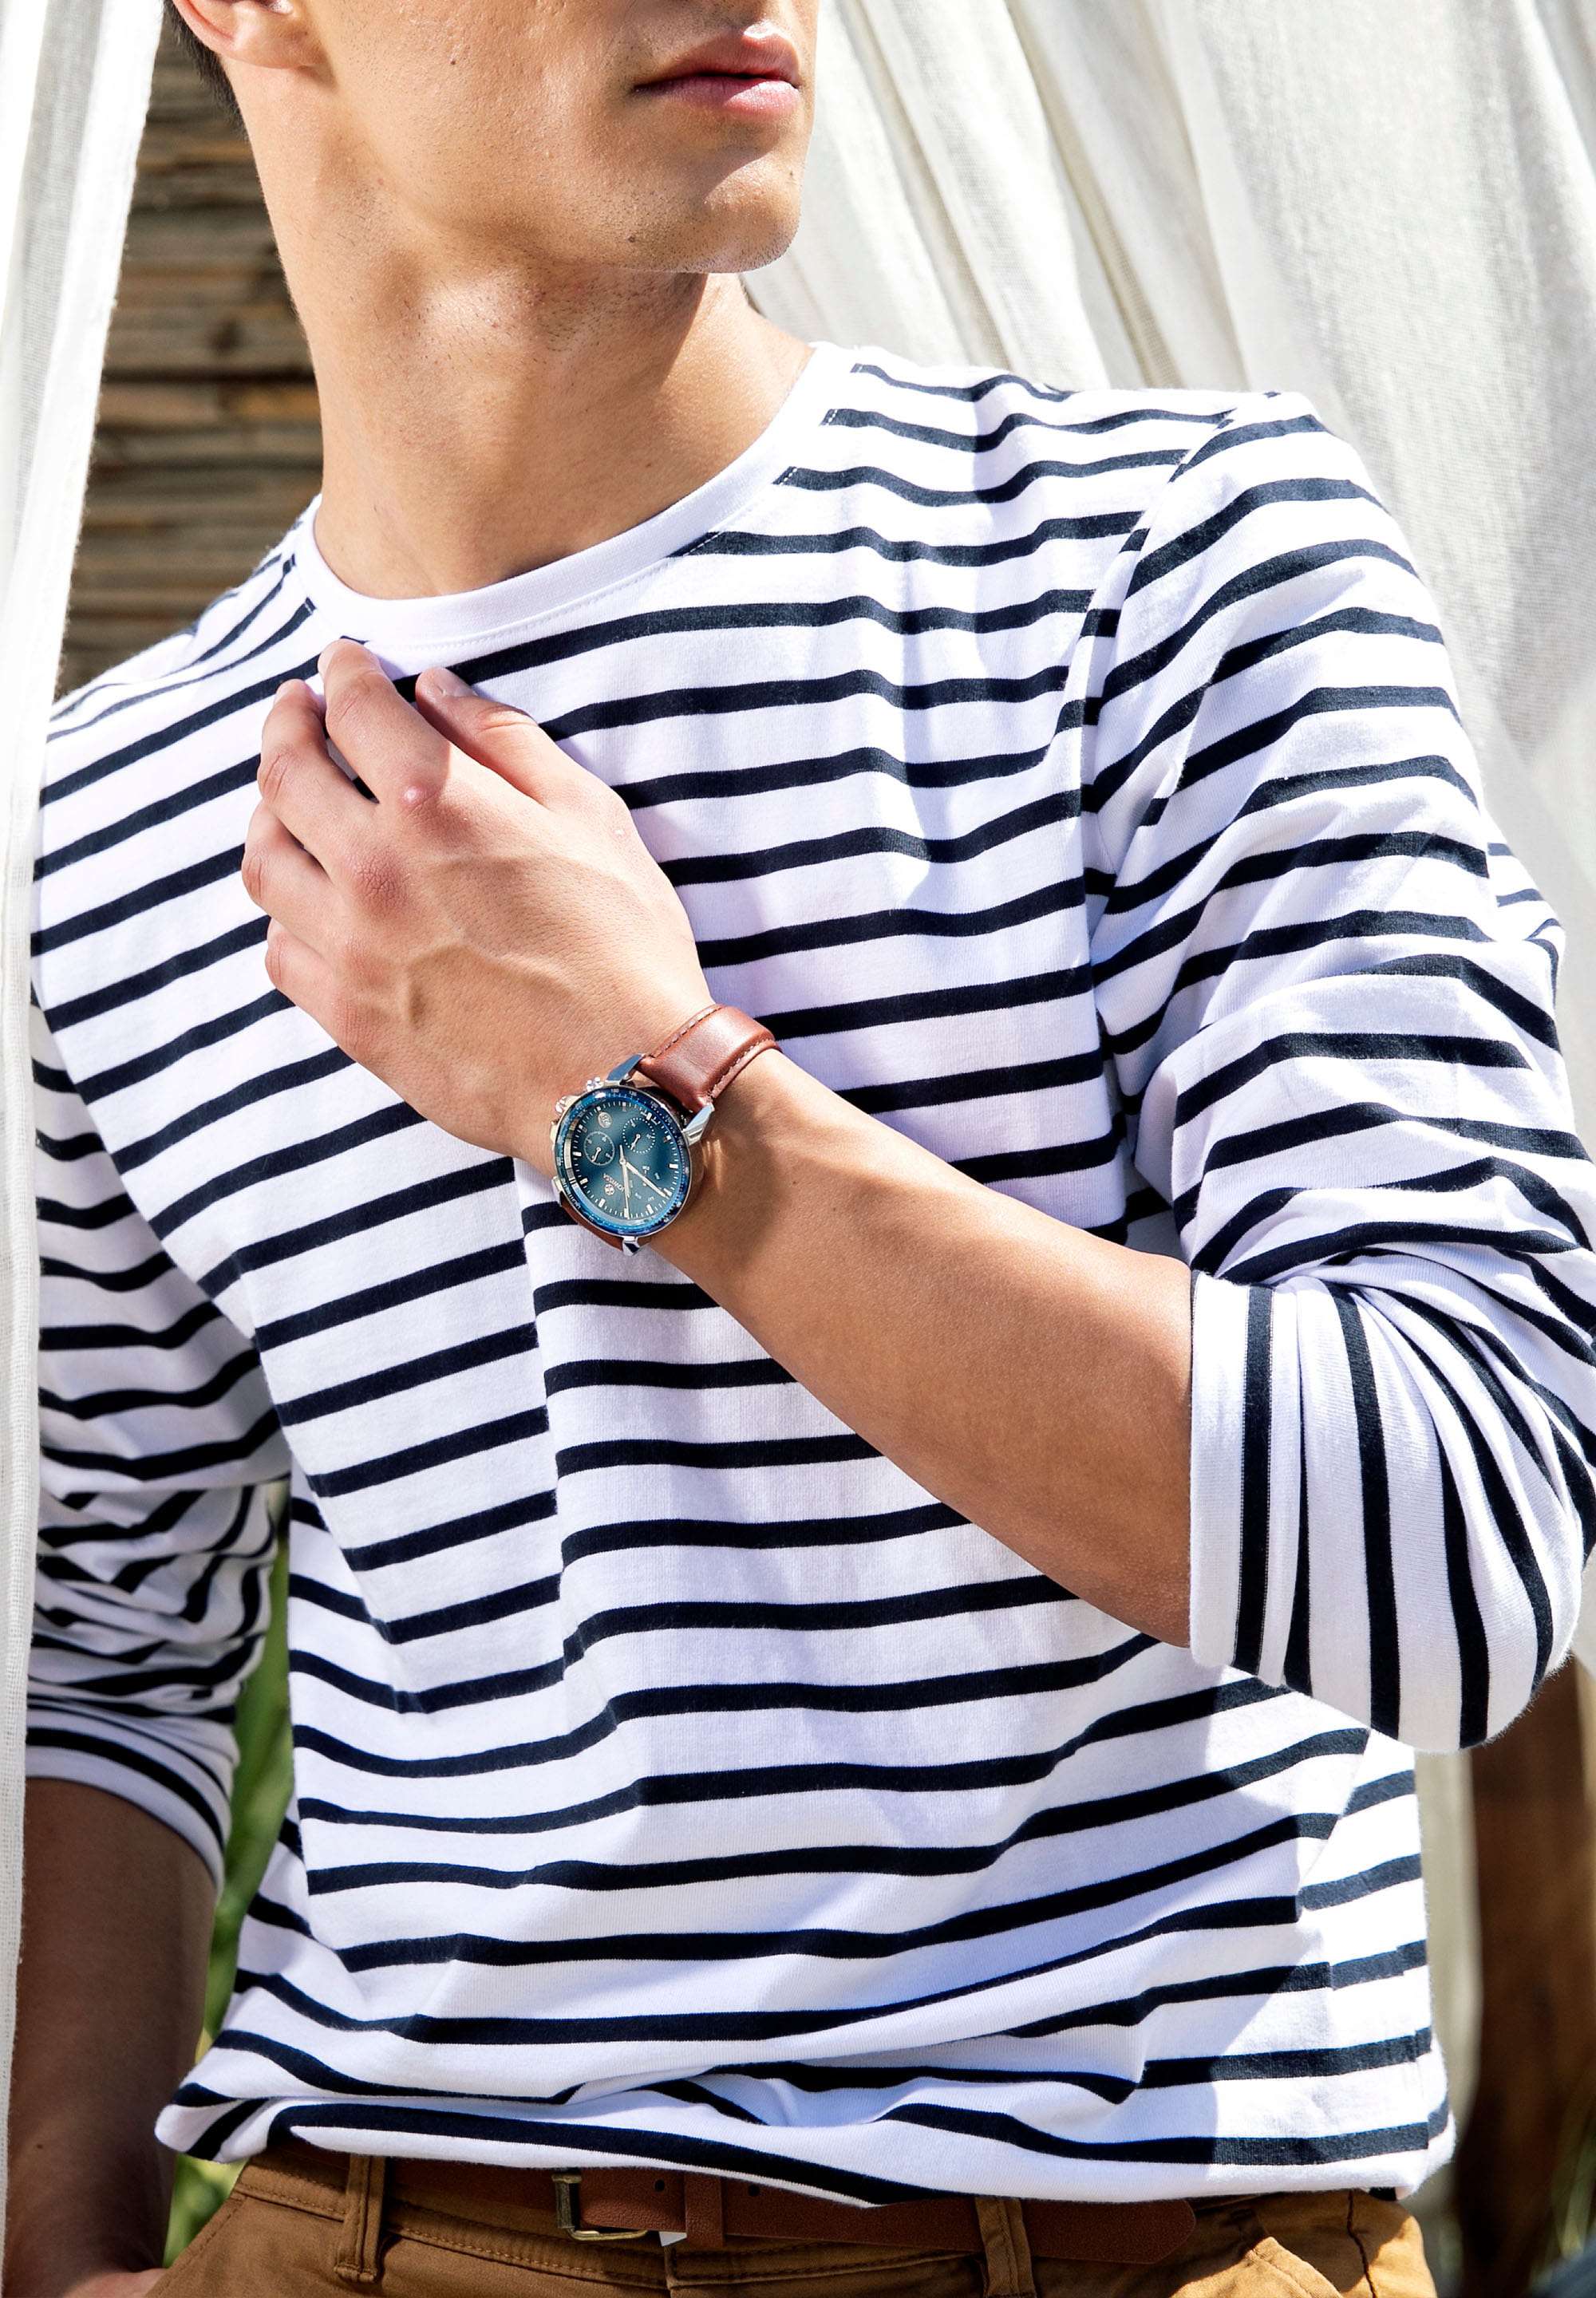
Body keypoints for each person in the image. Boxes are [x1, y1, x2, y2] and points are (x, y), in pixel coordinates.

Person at [10, 2, 1594, 2294]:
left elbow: (1467, 1548)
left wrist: (655, 1097)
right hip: (354, 2235)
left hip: (1118, 2248)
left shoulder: (1179, 568)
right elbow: (102, 1646)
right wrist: (53, 2242)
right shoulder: (94, 831)